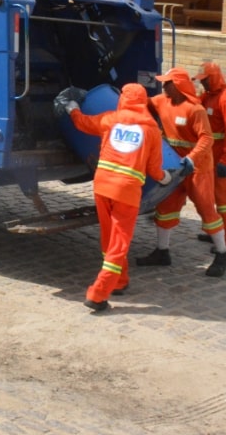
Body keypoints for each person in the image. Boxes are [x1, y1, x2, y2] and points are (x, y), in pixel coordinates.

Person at [64, 83, 173, 312]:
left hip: (102, 186)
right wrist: (165, 179)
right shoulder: (151, 129)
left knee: (108, 237)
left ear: (122, 99)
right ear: (143, 101)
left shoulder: (110, 119)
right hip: (127, 191)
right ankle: (98, 293)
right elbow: (154, 168)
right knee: (119, 243)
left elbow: (83, 123)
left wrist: (72, 108)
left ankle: (120, 280)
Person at [137, 67, 226, 277]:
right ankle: (162, 252)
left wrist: (191, 158)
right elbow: (140, 103)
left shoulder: (195, 110)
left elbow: (206, 138)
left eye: (167, 83)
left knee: (207, 210)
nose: (163, 86)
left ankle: (222, 254)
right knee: (166, 208)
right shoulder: (161, 101)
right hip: (175, 167)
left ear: (177, 86)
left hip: (198, 168)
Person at [196, 61, 226, 251]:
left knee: (224, 200)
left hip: (223, 157)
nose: (203, 84)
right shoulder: (207, 96)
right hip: (211, 157)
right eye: (201, 81)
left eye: (205, 80)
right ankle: (214, 232)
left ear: (214, 78)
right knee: (209, 196)